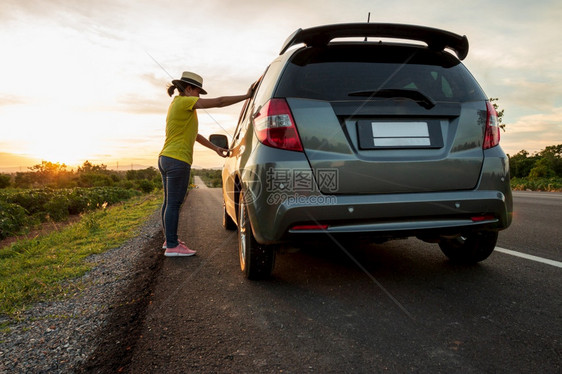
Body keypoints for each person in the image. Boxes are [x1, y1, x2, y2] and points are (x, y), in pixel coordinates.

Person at [159, 71, 254, 257]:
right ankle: (172, 246)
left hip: (166, 158)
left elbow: (194, 135)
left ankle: (169, 240)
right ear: (188, 89)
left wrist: (215, 148)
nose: (199, 96)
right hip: (178, 160)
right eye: (197, 92)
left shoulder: (177, 105)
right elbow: (219, 102)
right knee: (174, 203)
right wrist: (246, 96)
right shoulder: (186, 102)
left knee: (168, 203)